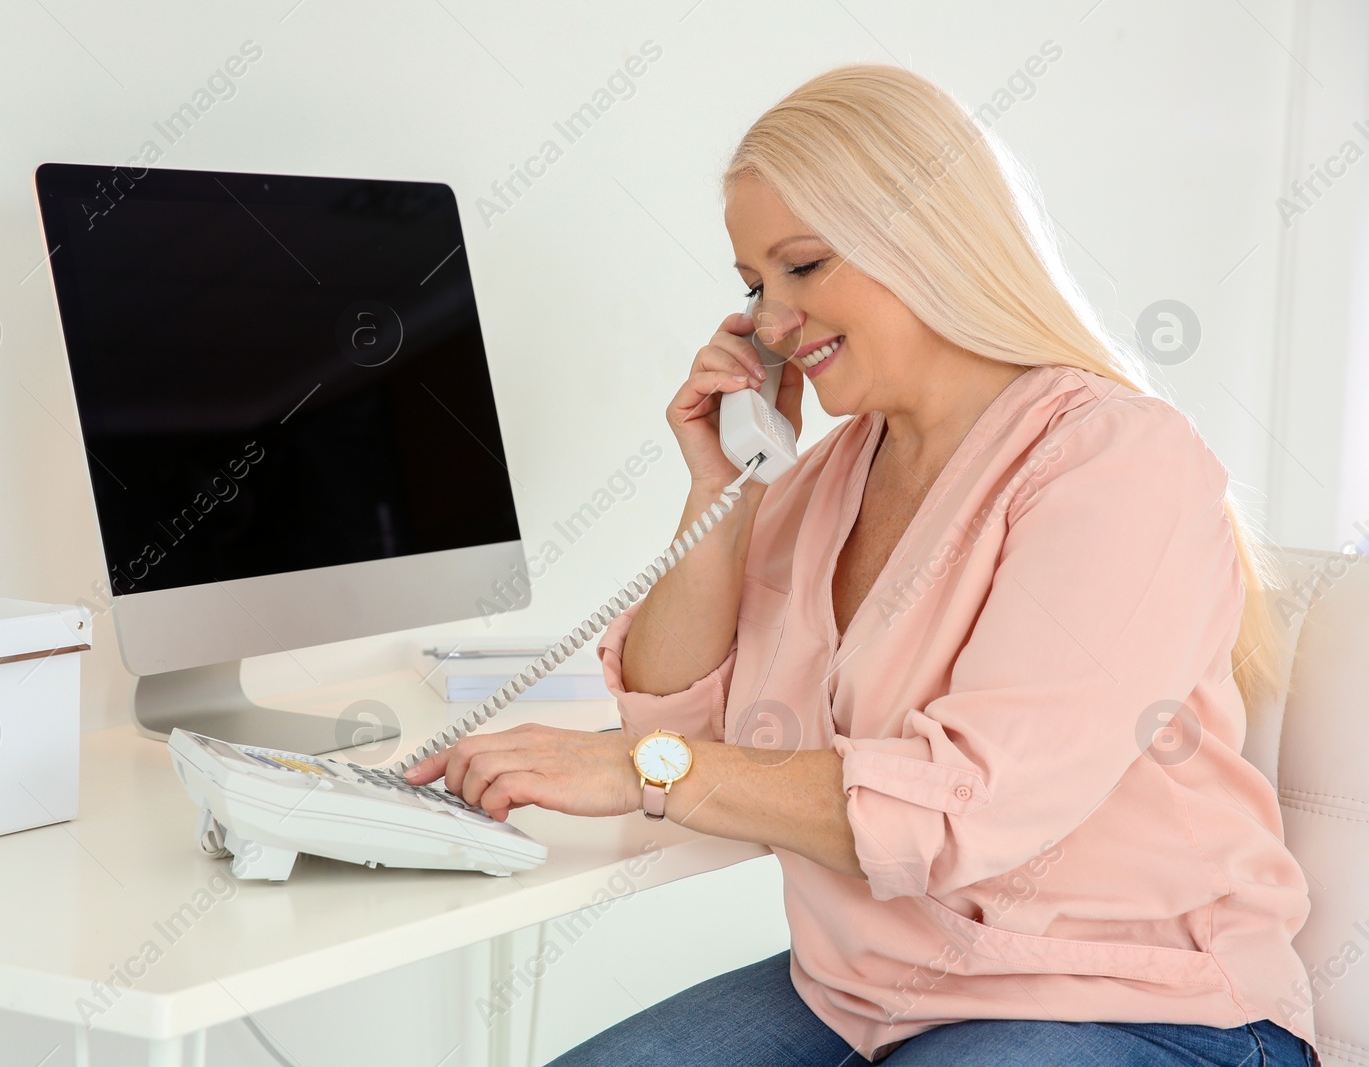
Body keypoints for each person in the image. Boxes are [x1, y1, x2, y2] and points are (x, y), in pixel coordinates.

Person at [403, 63, 1318, 1066]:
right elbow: (681, 723)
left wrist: (642, 770)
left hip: (1134, 1002)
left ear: (926, 239)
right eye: (754, 284)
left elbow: (967, 802)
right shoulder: (823, 479)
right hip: (857, 994)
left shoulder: (1116, 462)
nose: (771, 320)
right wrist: (728, 482)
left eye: (803, 266)